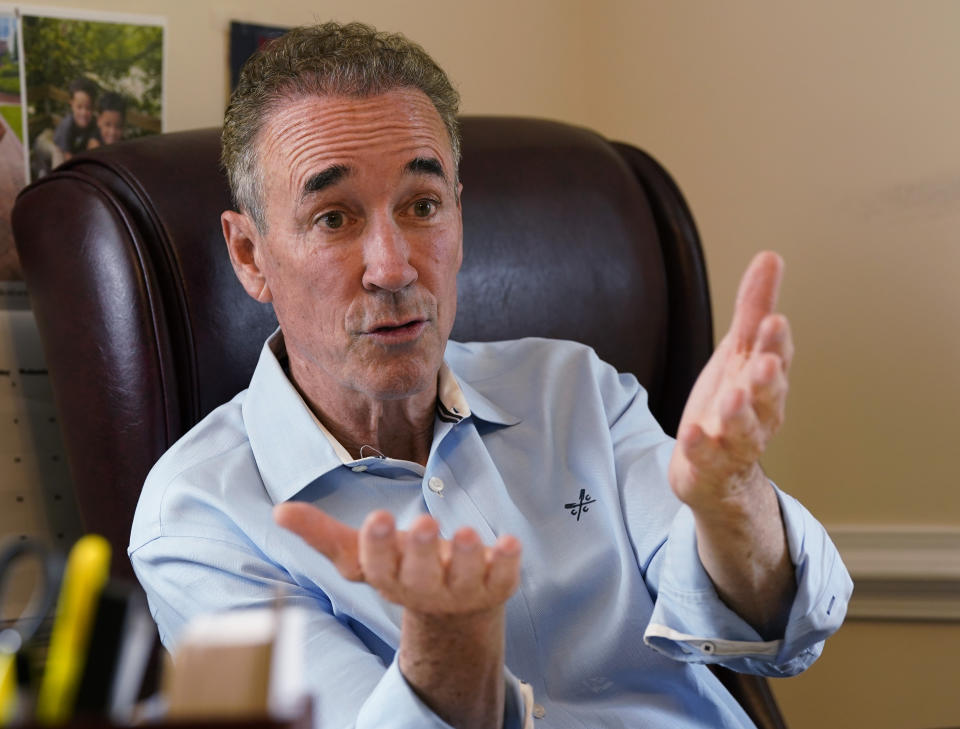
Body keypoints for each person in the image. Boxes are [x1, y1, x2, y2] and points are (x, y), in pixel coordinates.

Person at [129, 21, 852, 729]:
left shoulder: (574, 388)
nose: (393, 266)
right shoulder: (196, 519)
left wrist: (730, 499)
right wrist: (451, 643)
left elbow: (770, 633)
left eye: (422, 206)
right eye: (333, 218)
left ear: (458, 217)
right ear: (250, 255)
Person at [52, 77, 99, 160]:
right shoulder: (67, 125)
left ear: (93, 107)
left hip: (74, 150)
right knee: (57, 156)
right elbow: (67, 155)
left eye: (88, 108)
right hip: (56, 146)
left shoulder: (94, 123)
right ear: (71, 104)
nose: (83, 113)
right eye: (79, 107)